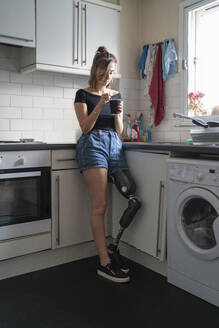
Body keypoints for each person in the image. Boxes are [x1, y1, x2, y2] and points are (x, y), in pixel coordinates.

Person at [74, 46, 130, 283]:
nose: (108, 77)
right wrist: (100, 103)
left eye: (112, 72)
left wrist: (117, 113)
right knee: (100, 206)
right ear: (96, 69)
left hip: (113, 146)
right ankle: (104, 262)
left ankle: (111, 250)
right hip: (93, 145)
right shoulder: (82, 94)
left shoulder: (116, 94)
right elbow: (85, 127)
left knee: (131, 194)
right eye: (105, 71)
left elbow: (119, 132)